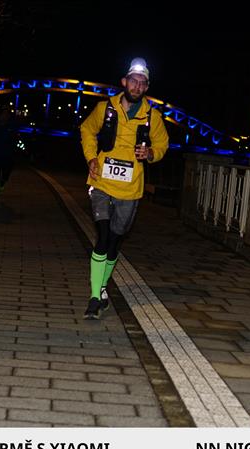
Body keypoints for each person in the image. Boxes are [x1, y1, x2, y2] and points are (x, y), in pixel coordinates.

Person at [79, 57, 169, 320]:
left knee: (115, 241)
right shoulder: (105, 109)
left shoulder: (153, 117)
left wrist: (150, 153)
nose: (137, 86)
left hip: (130, 189)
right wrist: (91, 157)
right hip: (101, 182)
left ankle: (102, 287)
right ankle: (94, 297)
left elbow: (162, 145)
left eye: (142, 83)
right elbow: (87, 130)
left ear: (146, 87)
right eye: (133, 81)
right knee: (102, 236)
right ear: (124, 81)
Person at [0, 109, 17, 200]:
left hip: (8, 156)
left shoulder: (11, 128)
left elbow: (14, 140)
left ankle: (1, 185)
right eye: (3, 114)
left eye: (6, 115)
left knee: (6, 175)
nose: (4, 116)